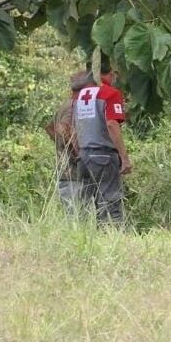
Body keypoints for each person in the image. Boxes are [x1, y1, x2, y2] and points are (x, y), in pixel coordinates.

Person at [71, 58, 133, 224]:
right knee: (110, 202)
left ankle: (83, 239)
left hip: (83, 156)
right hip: (103, 156)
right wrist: (124, 158)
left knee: (83, 205)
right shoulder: (111, 93)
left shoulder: (80, 95)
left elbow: (74, 126)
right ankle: (112, 239)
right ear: (111, 74)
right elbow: (112, 124)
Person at [44, 70, 91, 214]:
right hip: (73, 175)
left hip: (66, 173)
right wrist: (76, 154)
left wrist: (61, 148)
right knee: (78, 218)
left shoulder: (66, 105)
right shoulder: (74, 106)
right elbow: (61, 129)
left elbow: (49, 128)